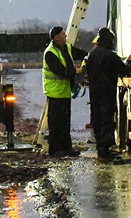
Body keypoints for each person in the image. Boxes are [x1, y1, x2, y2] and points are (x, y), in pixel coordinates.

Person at [86, 28, 125, 161]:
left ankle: (100, 150)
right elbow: (124, 69)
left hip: (94, 93)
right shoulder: (110, 55)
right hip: (107, 92)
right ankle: (105, 150)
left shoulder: (91, 55)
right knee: (107, 120)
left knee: (97, 120)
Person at [42, 25, 80, 156]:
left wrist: (90, 57)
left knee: (65, 122)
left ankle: (66, 148)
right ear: (56, 37)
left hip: (64, 91)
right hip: (54, 92)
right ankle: (55, 149)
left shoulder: (67, 48)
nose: (65, 36)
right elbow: (59, 71)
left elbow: (82, 54)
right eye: (63, 34)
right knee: (55, 122)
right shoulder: (50, 53)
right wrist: (76, 71)